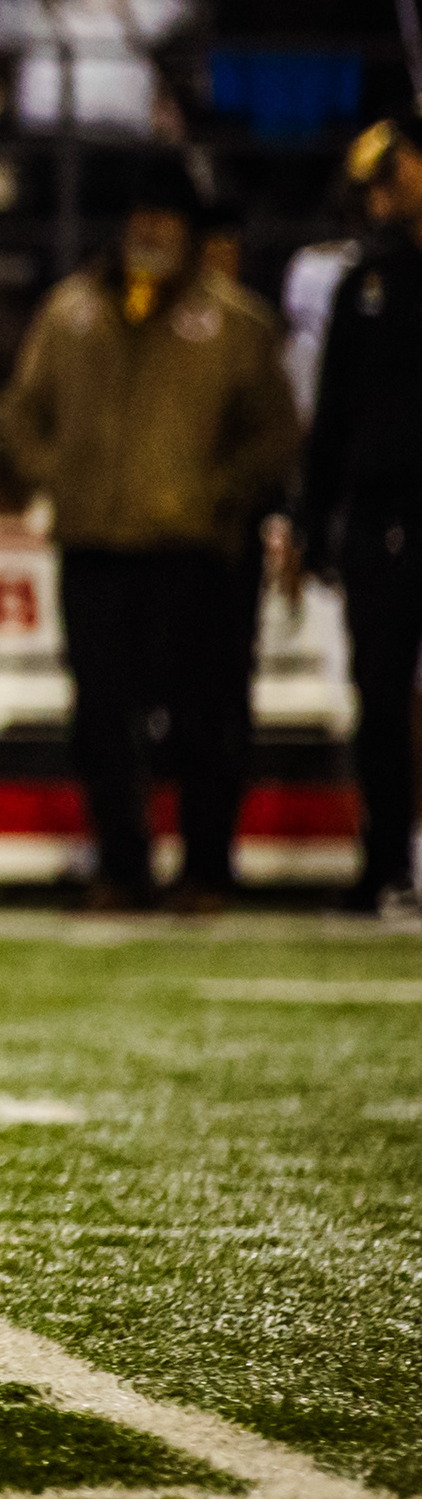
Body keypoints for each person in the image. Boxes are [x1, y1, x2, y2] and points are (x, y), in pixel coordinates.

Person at [0, 159, 303, 912]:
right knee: (101, 718)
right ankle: (122, 867)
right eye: (141, 214)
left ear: (192, 232)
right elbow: (20, 416)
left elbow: (274, 437)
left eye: (166, 217)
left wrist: (219, 499)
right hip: (97, 546)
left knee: (207, 720)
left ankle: (205, 869)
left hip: (197, 553)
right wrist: (55, 479)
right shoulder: (70, 313)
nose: (151, 229)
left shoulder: (236, 324)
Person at [301, 118, 422, 917]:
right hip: (386, 512)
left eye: (398, 170)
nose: (384, 191)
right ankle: (386, 863)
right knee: (378, 691)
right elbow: (334, 413)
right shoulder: (367, 282)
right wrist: (315, 518)